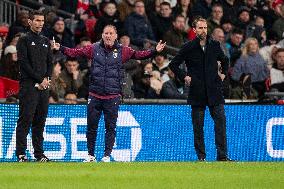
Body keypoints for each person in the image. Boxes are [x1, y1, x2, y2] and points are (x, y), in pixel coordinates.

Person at [53, 25, 166, 162]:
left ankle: (106, 156)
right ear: (102, 35)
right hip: (95, 94)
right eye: (106, 33)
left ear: (115, 35)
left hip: (112, 96)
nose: (108, 35)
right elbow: (75, 52)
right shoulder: (93, 48)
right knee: (91, 127)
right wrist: (61, 48)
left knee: (110, 127)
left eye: (111, 33)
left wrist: (155, 51)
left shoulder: (123, 50)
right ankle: (90, 155)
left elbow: (139, 55)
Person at [169, 17, 232, 161]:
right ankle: (201, 158)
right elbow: (173, 64)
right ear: (194, 30)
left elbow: (225, 60)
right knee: (198, 127)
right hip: (197, 92)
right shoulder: (188, 47)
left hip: (214, 91)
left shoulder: (215, 45)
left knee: (220, 125)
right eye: (200, 28)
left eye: (205, 28)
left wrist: (223, 74)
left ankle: (222, 156)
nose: (203, 30)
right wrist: (184, 76)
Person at [15, 10, 52, 162]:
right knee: (26, 119)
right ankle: (21, 154)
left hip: (44, 87)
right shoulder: (23, 40)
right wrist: (39, 79)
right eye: (37, 20)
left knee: (40, 121)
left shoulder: (45, 40)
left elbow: (50, 62)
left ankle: (39, 154)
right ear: (30, 22)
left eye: (42, 21)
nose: (40, 23)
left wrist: (47, 79)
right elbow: (24, 64)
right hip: (29, 85)